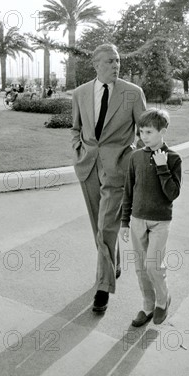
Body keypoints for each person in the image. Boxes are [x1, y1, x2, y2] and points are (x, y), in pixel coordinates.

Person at [71, 44, 147, 313]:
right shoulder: (80, 93)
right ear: (96, 64)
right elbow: (76, 128)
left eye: (118, 60)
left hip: (118, 168)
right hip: (88, 167)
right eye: (110, 61)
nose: (116, 65)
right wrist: (77, 149)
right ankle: (112, 263)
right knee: (97, 225)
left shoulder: (132, 93)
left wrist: (136, 157)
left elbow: (145, 129)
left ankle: (102, 288)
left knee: (106, 226)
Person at [120, 108, 182, 326]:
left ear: (162, 131)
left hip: (160, 221)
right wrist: (124, 222)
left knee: (153, 266)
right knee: (140, 267)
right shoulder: (136, 156)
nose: (143, 137)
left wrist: (162, 167)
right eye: (141, 132)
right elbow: (128, 190)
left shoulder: (173, 158)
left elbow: (172, 193)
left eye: (148, 132)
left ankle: (163, 301)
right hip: (137, 219)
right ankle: (148, 305)